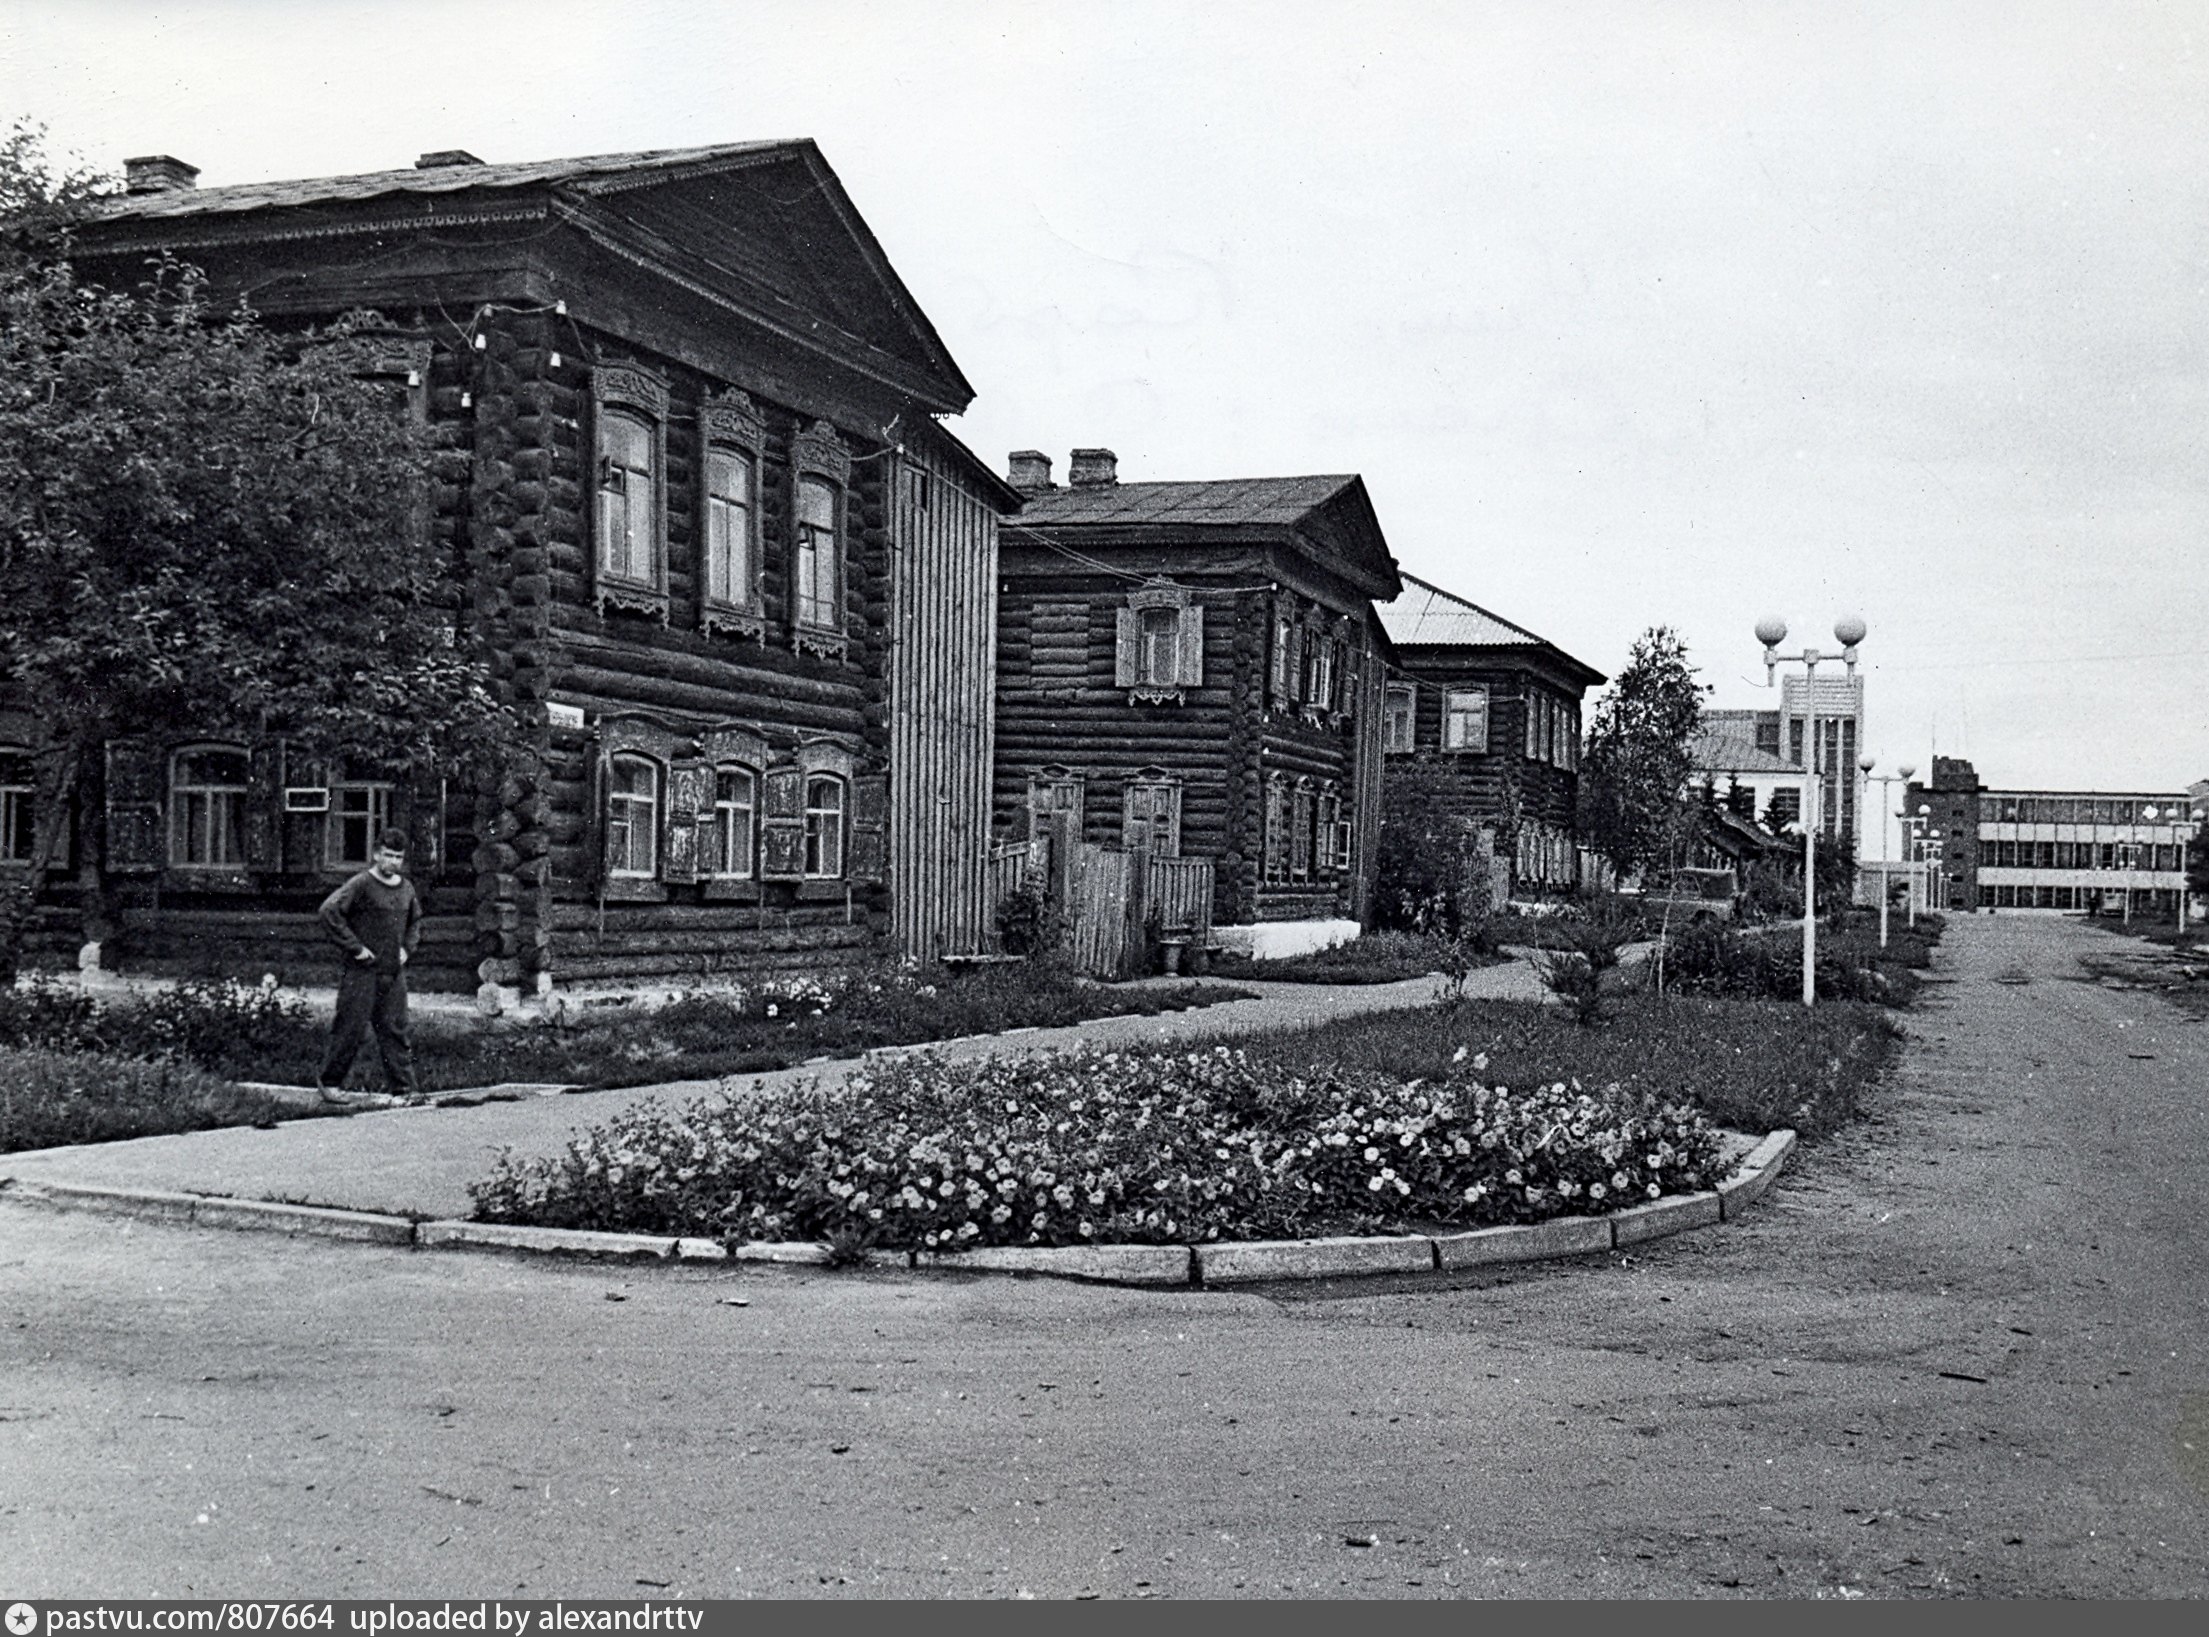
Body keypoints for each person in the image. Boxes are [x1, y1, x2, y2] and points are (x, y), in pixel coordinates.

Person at [316, 826, 422, 1105]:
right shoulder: (361, 884)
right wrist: (356, 948)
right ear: (376, 854)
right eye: (387, 855)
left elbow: (415, 923)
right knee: (350, 1028)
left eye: (398, 857)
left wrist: (406, 949)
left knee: (395, 1030)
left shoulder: (406, 889)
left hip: (392, 972)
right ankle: (330, 1083)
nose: (393, 862)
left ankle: (404, 1089)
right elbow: (329, 911)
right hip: (362, 971)